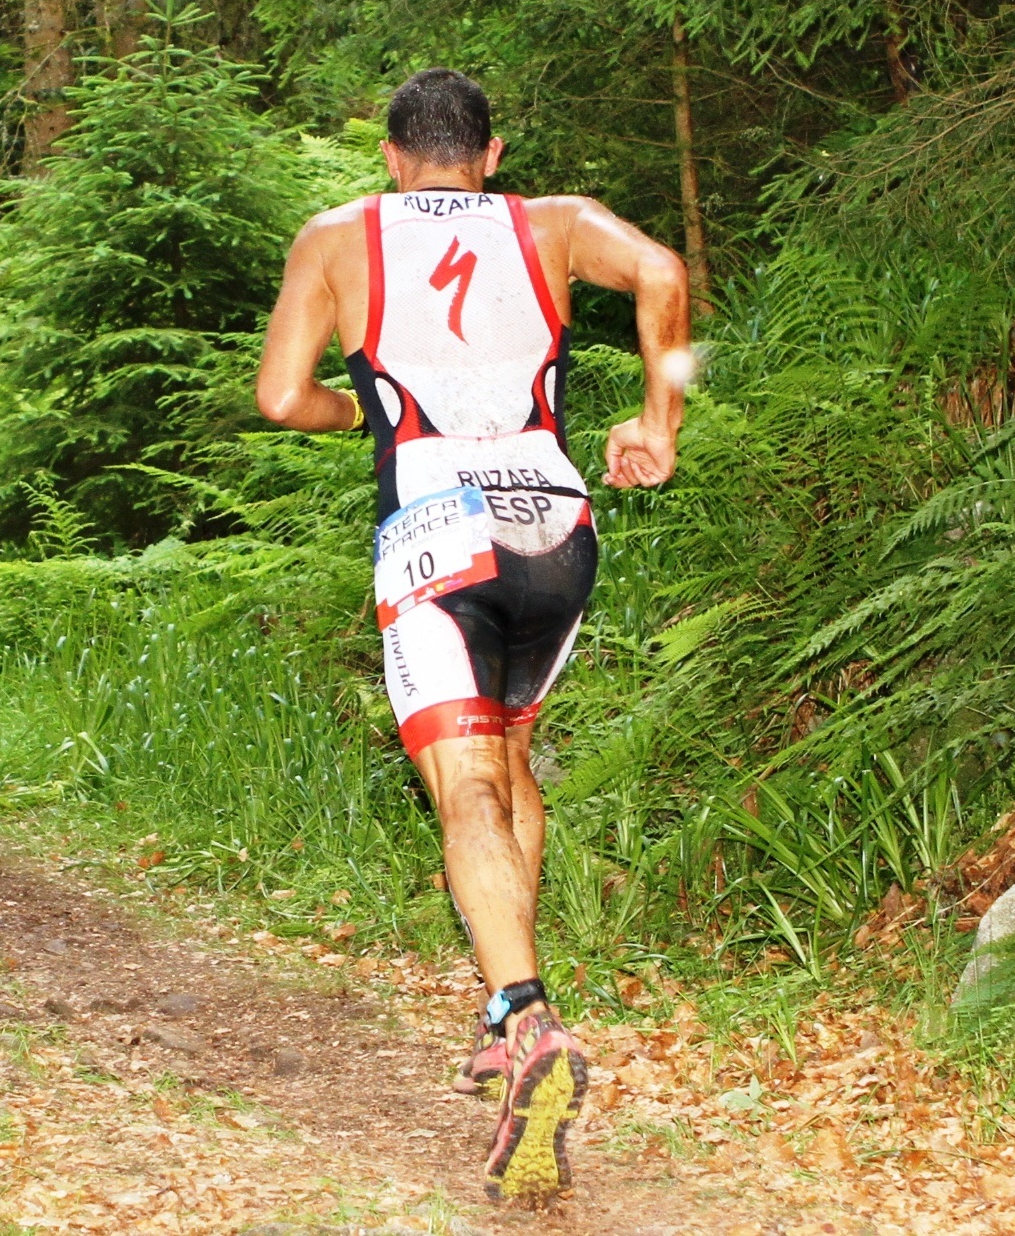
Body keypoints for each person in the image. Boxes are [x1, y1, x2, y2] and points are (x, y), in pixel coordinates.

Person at [254, 68, 689, 1205]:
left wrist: (364, 408)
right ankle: (517, 1024)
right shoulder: (553, 224)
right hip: (556, 525)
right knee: (509, 757)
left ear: (395, 160)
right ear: (490, 155)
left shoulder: (341, 235)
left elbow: (280, 397)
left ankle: (525, 1017)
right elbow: (665, 273)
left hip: (437, 529)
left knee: (464, 793)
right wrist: (659, 417)